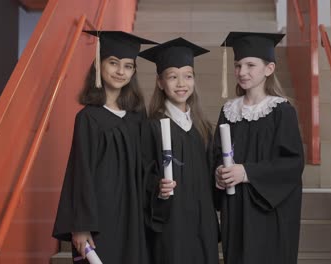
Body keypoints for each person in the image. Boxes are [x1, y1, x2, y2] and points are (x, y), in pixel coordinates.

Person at [52, 30, 157, 263]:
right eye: (113, 63)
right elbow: (80, 174)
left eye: (128, 66)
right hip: (99, 219)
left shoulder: (137, 117)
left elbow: (146, 166)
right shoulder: (88, 118)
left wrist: (160, 185)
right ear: (99, 65)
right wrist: (81, 226)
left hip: (134, 215)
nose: (121, 71)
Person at [214, 32, 305, 264]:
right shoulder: (228, 111)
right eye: (238, 65)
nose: (242, 72)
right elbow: (216, 154)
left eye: (250, 65)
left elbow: (292, 163)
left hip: (268, 209)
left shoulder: (281, 111)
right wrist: (218, 174)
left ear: (269, 68)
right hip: (235, 208)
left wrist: (246, 172)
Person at [139, 38, 219, 264]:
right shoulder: (151, 126)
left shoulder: (202, 127)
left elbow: (212, 173)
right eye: (173, 76)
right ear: (160, 82)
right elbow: (142, 172)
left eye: (188, 75)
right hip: (170, 222)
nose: (181, 83)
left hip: (203, 221)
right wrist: (157, 186)